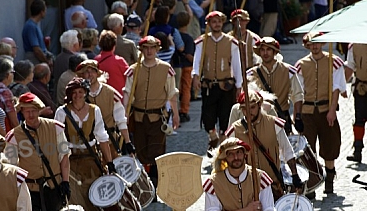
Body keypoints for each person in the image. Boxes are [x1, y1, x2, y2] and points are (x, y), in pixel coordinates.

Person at [5, 92, 71, 211]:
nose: (31, 115)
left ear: (39, 110)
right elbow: (10, 166)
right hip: (29, 188)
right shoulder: (14, 136)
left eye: (33, 110)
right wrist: (14, 192)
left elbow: (64, 157)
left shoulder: (56, 128)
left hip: (53, 185)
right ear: (22, 112)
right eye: (26, 111)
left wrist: (65, 182)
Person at [54, 78, 116, 211]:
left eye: (80, 92)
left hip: (91, 158)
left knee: (94, 195)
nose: (77, 96)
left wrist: (109, 163)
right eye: (74, 93)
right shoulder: (62, 112)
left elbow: (102, 137)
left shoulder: (94, 110)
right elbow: (57, 140)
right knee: (75, 197)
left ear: (86, 93)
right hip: (70, 159)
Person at [123, 35, 179, 190]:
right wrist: (125, 116)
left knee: (156, 151)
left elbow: (171, 94)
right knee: (140, 151)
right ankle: (144, 185)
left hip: (157, 118)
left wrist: (176, 115)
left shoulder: (166, 69)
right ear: (141, 50)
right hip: (139, 117)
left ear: (157, 49)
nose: (149, 51)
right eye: (146, 48)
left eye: (152, 47)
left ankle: (155, 185)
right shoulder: (133, 71)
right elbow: (127, 94)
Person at [295, 32, 347, 195]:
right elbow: (297, 92)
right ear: (307, 45)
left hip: (326, 110)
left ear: (323, 44)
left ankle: (329, 180)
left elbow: (336, 88)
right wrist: (297, 115)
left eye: (318, 43)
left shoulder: (334, 62)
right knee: (308, 150)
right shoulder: (301, 65)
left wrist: (332, 110)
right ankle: (311, 183)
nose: (315, 46)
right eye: (312, 43)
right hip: (307, 111)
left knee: (330, 145)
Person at [191, 11, 242, 154]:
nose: (217, 24)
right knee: (208, 116)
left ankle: (222, 145)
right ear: (208, 24)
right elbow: (197, 60)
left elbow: (236, 64)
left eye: (219, 21)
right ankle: (212, 136)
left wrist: (239, 85)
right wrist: (195, 75)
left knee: (225, 116)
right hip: (209, 86)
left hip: (226, 86)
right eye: (214, 22)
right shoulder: (202, 42)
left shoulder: (231, 42)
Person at [75, 59, 134, 158]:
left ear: (97, 73)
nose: (90, 75)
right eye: (86, 72)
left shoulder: (111, 94)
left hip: (110, 142)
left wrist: (128, 142)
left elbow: (121, 120)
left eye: (92, 71)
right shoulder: (78, 96)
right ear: (82, 75)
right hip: (88, 145)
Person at [247, 36, 304, 134]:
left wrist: (297, 117)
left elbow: (298, 95)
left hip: (282, 118)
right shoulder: (251, 74)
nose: (265, 53)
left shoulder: (288, 71)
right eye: (262, 50)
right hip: (258, 120)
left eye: (269, 49)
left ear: (275, 52)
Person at [344, 43, 367, 163]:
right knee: (359, 120)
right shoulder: (355, 46)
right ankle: (357, 151)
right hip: (361, 88)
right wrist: (342, 86)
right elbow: (350, 67)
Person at [95, 30, 129, 95]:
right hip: (118, 98)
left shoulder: (95, 61)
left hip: (100, 97)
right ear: (114, 45)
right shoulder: (119, 61)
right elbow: (129, 78)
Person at [22, 0, 53, 66]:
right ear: (41, 12)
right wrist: (46, 61)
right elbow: (36, 49)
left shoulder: (34, 25)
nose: (46, 12)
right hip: (34, 60)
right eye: (45, 10)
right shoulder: (31, 26)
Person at [0, 57, 19, 131]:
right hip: (4, 130)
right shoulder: (5, 92)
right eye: (12, 72)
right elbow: (13, 121)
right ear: (7, 75)